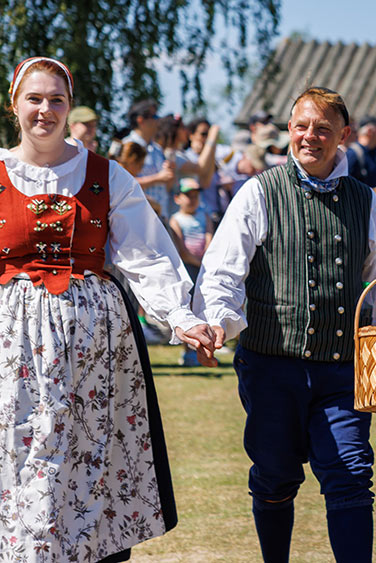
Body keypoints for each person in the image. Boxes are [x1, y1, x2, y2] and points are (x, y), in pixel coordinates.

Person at [0, 55, 217, 563]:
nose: (45, 110)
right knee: (20, 458)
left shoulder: (106, 176)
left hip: (96, 354)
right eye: (34, 98)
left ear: (70, 105)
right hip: (11, 350)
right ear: (15, 106)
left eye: (57, 99)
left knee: (88, 462)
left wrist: (181, 319)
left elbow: (147, 257)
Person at [194, 86, 376, 563]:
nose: (311, 137)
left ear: (343, 135)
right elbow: (223, 269)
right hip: (270, 367)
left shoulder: (365, 201)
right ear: (289, 130)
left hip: (342, 370)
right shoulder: (258, 191)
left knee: (350, 473)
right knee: (275, 475)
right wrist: (219, 321)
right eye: (302, 126)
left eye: (323, 128)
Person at [169, 178, 213, 366]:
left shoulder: (205, 217)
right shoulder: (175, 220)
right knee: (189, 310)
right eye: (188, 195)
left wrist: (207, 261)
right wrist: (199, 262)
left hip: (204, 267)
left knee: (203, 309)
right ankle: (188, 352)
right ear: (177, 198)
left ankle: (206, 348)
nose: (192, 199)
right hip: (188, 270)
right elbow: (182, 250)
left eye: (195, 195)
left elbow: (210, 239)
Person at [122, 99, 175, 219]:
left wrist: (169, 175)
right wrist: (158, 178)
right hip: (138, 217)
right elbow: (122, 184)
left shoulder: (157, 149)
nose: (158, 121)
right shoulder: (126, 146)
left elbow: (166, 187)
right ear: (141, 120)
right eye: (154, 116)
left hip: (160, 216)